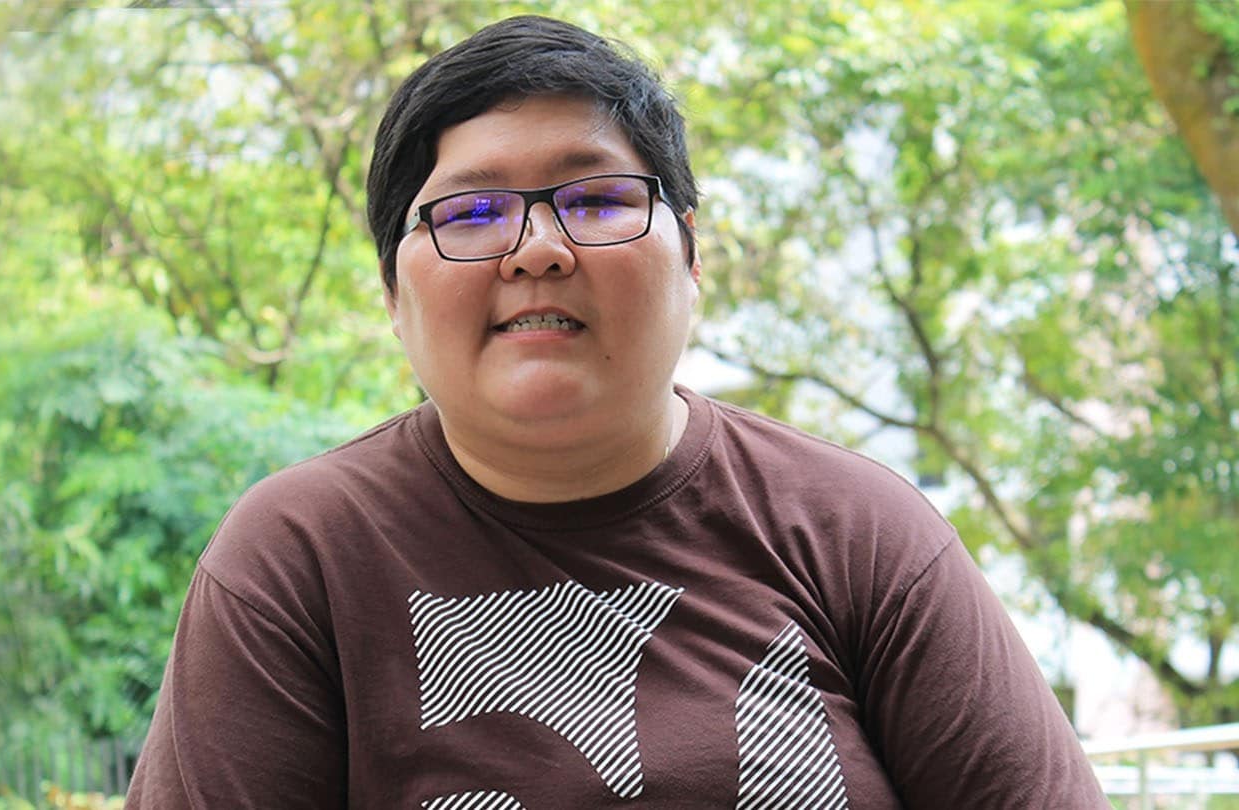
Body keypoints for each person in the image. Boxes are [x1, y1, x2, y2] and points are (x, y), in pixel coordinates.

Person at [125, 14, 1107, 809]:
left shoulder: (859, 531)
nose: (536, 249)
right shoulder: (300, 558)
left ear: (690, 256)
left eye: (595, 200)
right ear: (393, 293)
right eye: (470, 214)